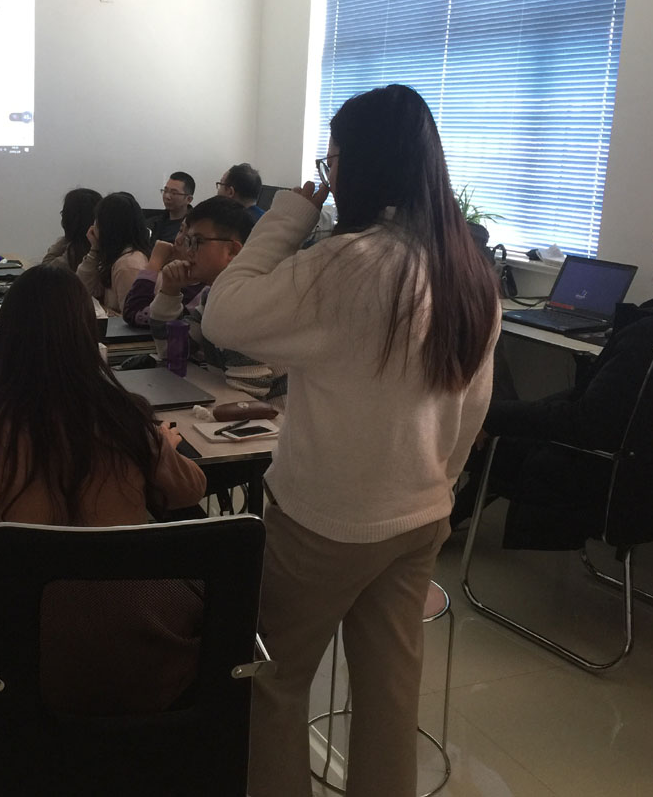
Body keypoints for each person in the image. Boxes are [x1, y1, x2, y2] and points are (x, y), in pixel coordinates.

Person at [202, 84, 500, 797]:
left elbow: (223, 315)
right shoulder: (466, 268)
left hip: (325, 523)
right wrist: (440, 486)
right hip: (419, 514)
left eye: (330, 162)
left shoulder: (348, 264)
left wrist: (288, 215)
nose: (327, 178)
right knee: (389, 695)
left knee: (271, 683)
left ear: (356, 165)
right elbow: (472, 406)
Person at [0, 263, 207, 712]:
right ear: (86, 339)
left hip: (25, 671)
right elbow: (190, 490)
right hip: (144, 663)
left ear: (7, 341)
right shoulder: (126, 419)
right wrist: (161, 445)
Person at [454, 205, 653, 547]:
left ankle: (434, 526)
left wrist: (489, 416)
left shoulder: (651, 334)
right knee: (506, 417)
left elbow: (585, 422)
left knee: (484, 433)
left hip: (608, 478)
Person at [147, 196, 278, 399]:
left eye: (197, 242)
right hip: (236, 406)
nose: (188, 252)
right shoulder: (213, 295)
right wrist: (170, 292)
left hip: (274, 414)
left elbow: (249, 396)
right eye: (188, 241)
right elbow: (171, 352)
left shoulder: (243, 300)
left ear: (232, 251)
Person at [76, 191, 150, 314]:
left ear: (108, 226)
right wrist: (94, 250)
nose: (93, 226)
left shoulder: (128, 265)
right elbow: (83, 289)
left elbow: (131, 318)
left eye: (97, 220)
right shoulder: (115, 256)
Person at [41, 187, 101, 270]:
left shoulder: (75, 253)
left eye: (64, 213)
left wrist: (68, 236)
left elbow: (46, 269)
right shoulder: (104, 246)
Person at [149, 171, 195, 245]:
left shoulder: (193, 227)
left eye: (174, 193)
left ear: (189, 199)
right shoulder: (153, 223)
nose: (167, 196)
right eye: (165, 191)